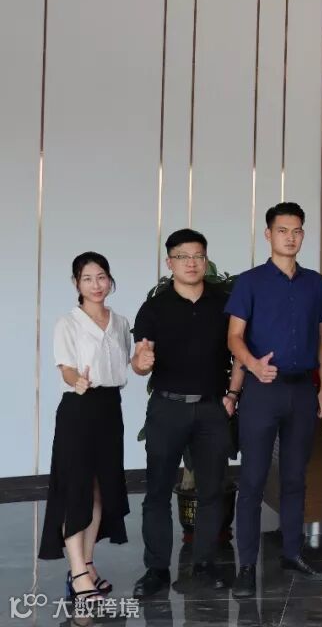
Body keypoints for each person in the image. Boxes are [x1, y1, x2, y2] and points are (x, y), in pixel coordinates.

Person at [226, 202, 322, 597]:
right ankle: (246, 565)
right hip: (262, 390)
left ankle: (293, 552)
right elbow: (234, 337)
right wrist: (254, 366)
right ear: (268, 234)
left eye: (297, 230)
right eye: (283, 230)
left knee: (294, 477)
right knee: (253, 479)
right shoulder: (250, 282)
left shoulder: (315, 284)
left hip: (302, 390)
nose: (291, 237)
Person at [131, 229, 236, 598]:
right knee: (157, 491)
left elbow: (240, 349)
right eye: (182, 256)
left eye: (197, 256)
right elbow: (139, 360)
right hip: (167, 407)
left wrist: (233, 395)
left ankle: (204, 564)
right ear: (169, 262)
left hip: (211, 408)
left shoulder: (225, 302)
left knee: (212, 491)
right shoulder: (154, 308)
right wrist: (141, 363)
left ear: (206, 260)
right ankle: (156, 569)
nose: (191, 263)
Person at [40, 252, 132, 608]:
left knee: (99, 489)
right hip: (79, 408)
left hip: (109, 409)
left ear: (110, 280)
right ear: (76, 283)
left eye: (101, 276)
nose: (96, 284)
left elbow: (124, 364)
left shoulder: (120, 322)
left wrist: (141, 361)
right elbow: (65, 368)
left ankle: (88, 563)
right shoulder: (68, 323)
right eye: (87, 278)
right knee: (75, 489)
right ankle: (77, 572)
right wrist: (76, 379)